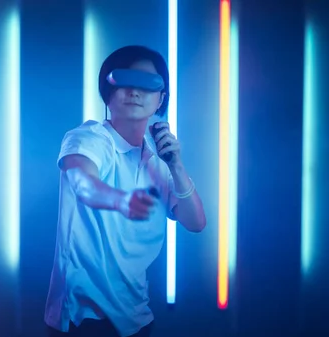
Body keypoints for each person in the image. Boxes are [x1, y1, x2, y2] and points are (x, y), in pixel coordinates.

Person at [44, 45, 207, 337]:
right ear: (108, 92)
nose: (134, 91)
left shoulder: (160, 159)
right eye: (124, 81)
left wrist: (177, 167)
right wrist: (119, 200)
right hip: (83, 320)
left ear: (161, 99)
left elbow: (196, 223)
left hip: (138, 319)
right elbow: (83, 183)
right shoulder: (89, 138)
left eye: (147, 84)